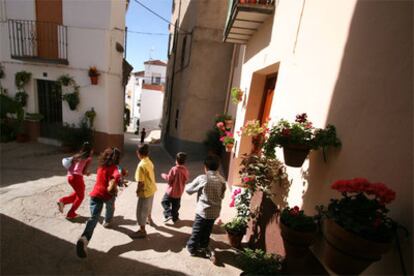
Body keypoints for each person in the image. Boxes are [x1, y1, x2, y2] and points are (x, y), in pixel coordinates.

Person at [76, 147, 121, 258]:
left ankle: (84, 238)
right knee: (110, 206)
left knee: (94, 218)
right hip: (107, 195)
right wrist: (117, 179)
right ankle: (107, 221)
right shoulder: (114, 168)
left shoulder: (100, 167)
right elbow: (117, 174)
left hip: (95, 195)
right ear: (117, 159)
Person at [185, 155, 226, 258]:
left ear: (205, 167)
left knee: (197, 230)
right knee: (207, 229)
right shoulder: (222, 180)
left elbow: (188, 190)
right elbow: (222, 196)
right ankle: (203, 246)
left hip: (202, 211)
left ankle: (192, 248)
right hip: (215, 212)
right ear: (217, 167)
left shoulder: (203, 178)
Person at [57, 142, 93, 219]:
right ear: (90, 150)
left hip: (69, 176)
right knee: (81, 196)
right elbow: (83, 171)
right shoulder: (88, 158)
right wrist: (87, 173)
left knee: (78, 193)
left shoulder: (76, 156)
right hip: (77, 177)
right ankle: (71, 213)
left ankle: (63, 201)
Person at [131, 144, 157, 239]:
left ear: (138, 153)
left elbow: (141, 182)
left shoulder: (141, 165)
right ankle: (149, 219)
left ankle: (142, 230)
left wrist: (138, 191)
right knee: (148, 206)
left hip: (145, 191)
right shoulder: (149, 161)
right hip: (152, 188)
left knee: (141, 211)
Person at [161, 152, 190, 223]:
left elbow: (169, 178)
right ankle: (175, 218)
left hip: (171, 191)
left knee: (164, 202)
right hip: (179, 192)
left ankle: (168, 214)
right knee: (176, 206)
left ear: (176, 160)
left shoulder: (174, 169)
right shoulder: (185, 170)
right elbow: (187, 179)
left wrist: (164, 175)